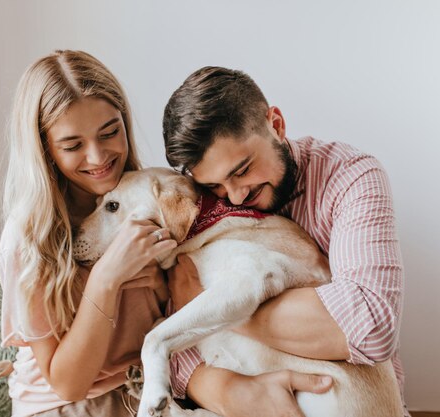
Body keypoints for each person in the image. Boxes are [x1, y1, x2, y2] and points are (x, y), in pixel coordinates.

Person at [163, 66, 409, 417]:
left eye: (242, 169)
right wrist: (227, 390)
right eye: (215, 186)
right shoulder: (198, 206)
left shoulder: (351, 178)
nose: (233, 197)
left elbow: (371, 327)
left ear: (276, 125)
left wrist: (210, 305)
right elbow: (172, 342)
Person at [0, 50, 179, 417]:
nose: (97, 157)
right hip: (64, 404)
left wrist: (159, 284)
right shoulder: (29, 238)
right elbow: (68, 383)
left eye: (110, 132)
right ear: (45, 150)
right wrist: (106, 279)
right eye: (73, 146)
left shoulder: (149, 197)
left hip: (150, 384)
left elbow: (178, 310)